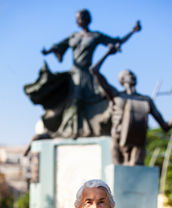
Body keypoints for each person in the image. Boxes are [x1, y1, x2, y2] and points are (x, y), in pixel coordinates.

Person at [24, 9, 141, 139]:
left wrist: (132, 32)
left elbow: (115, 41)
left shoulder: (95, 36)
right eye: (76, 18)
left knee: (103, 98)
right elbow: (58, 46)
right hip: (75, 75)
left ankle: (89, 128)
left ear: (86, 19)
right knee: (73, 103)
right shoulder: (74, 36)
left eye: (79, 18)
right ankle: (68, 130)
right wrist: (48, 51)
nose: (77, 20)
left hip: (89, 73)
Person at [90, 45, 172, 165]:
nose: (132, 75)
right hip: (118, 140)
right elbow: (94, 70)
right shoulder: (116, 95)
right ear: (121, 79)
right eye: (128, 74)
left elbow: (165, 126)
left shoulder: (146, 100)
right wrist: (107, 53)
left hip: (138, 143)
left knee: (136, 172)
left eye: (133, 74)